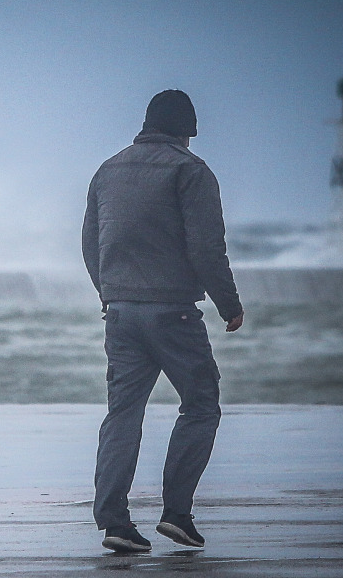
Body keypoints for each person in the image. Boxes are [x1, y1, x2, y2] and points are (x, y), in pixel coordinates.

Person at [81, 89, 244, 553]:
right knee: (200, 403)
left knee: (123, 413)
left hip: (121, 313)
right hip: (172, 312)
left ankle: (114, 521)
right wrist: (229, 304)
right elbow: (206, 248)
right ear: (187, 131)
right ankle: (176, 515)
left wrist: (109, 294)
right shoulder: (190, 170)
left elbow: (92, 244)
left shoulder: (108, 169)